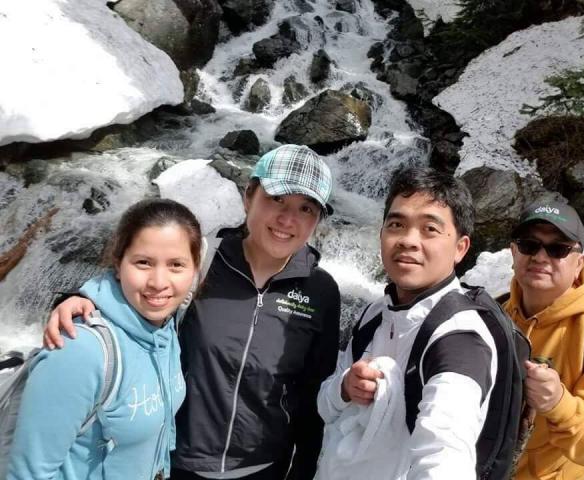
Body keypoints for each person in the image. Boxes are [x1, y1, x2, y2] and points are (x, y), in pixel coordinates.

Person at [44, 144, 341, 480]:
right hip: (174, 461)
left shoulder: (321, 292)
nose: (288, 219)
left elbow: (316, 393)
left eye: (306, 208)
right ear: (249, 196)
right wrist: (84, 299)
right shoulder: (202, 260)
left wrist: (302, 471)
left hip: (265, 468)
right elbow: (140, 284)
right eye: (277, 199)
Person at [317, 167, 497, 479]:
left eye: (430, 229)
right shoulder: (376, 312)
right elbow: (325, 407)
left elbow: (444, 449)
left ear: (461, 248)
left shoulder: (460, 339)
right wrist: (346, 387)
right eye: (397, 224)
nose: (408, 241)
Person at [8, 198, 201, 479]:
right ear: (118, 261)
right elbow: (28, 473)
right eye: (143, 262)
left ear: (195, 268)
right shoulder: (78, 350)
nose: (159, 282)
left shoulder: (165, 325)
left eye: (176, 265)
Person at [504, 200, 584, 480]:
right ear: (513, 252)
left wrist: (558, 403)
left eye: (558, 249)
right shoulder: (493, 314)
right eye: (529, 245)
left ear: (578, 264)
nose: (540, 257)